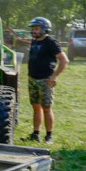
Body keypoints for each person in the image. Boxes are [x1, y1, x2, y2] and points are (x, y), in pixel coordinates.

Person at [26, 16, 68, 144]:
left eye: (37, 28)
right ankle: (35, 134)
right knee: (35, 107)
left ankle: (49, 136)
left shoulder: (51, 42)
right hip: (32, 79)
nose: (34, 31)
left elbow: (64, 60)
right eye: (33, 28)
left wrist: (54, 76)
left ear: (45, 29)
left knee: (46, 108)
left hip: (45, 80)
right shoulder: (34, 41)